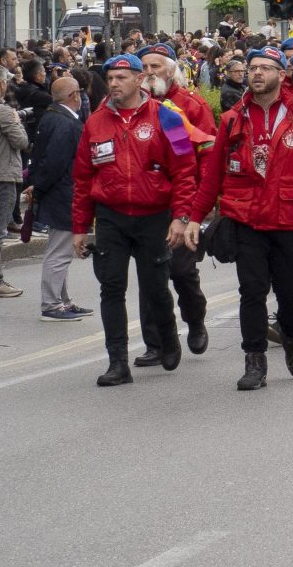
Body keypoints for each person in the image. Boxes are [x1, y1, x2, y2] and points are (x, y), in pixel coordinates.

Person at [184, 48, 293, 390]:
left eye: (265, 68)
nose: (256, 73)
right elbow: (212, 177)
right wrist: (195, 217)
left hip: (290, 218)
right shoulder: (232, 119)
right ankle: (254, 360)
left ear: (282, 75)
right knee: (252, 291)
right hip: (247, 218)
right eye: (252, 67)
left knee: (291, 293)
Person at [72, 54, 201, 386]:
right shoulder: (95, 123)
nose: (114, 83)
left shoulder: (167, 118)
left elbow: (185, 171)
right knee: (111, 288)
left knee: (156, 287)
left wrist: (181, 216)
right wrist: (80, 228)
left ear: (139, 79)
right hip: (112, 216)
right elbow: (83, 179)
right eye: (110, 78)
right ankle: (118, 362)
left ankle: (168, 339)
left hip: (154, 216)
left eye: (121, 77)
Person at [139, 46, 213, 361]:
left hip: (183, 202)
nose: (149, 71)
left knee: (182, 272)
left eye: (156, 65)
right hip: (145, 206)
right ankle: (156, 343)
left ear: (170, 71)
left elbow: (209, 153)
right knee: (150, 276)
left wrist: (202, 202)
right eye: (144, 66)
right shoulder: (130, 106)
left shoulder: (191, 105)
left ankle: (195, 319)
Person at [26, 76, 89, 320]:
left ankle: (62, 300)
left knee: (61, 250)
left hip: (57, 192)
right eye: (80, 92)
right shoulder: (65, 123)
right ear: (74, 95)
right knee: (60, 252)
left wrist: (36, 185)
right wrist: (39, 188)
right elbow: (55, 162)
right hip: (63, 193)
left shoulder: (52, 117)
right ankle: (51, 305)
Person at [0, 64, 26, 300]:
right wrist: (17, 119)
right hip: (0, 176)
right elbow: (21, 141)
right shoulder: (2, 111)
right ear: (2, 84)